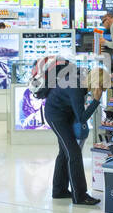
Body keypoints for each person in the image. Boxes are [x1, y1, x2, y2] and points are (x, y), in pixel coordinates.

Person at [44, 61, 108, 205]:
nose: (102, 91)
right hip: (55, 115)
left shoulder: (82, 80)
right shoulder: (77, 88)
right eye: (102, 87)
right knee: (73, 153)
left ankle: (59, 190)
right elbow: (82, 118)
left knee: (64, 152)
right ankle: (80, 196)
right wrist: (96, 101)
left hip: (65, 114)